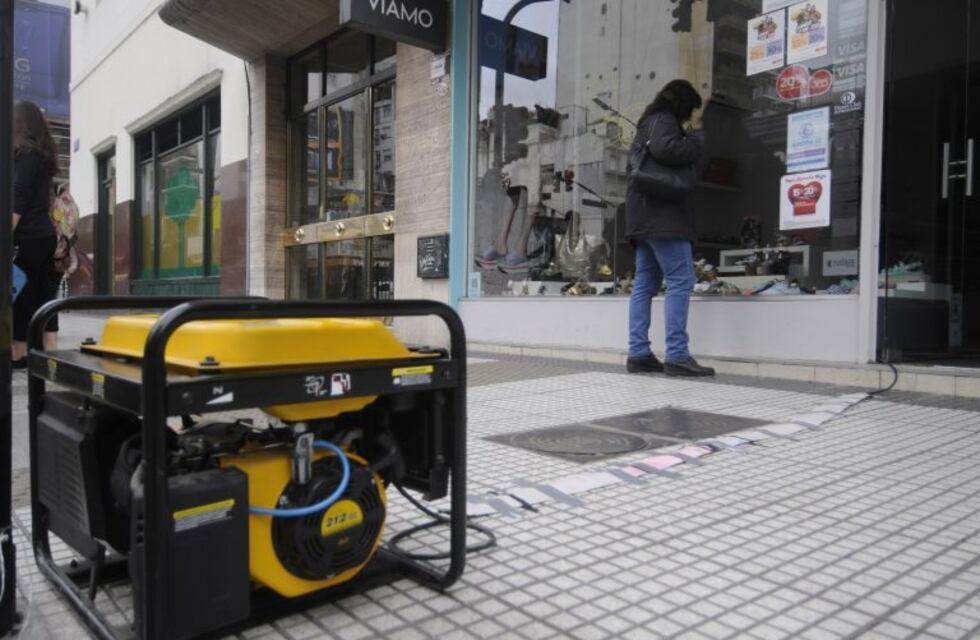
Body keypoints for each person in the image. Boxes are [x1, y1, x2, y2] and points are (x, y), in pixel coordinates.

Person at [625, 80, 715, 377]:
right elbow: (666, 150)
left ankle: (638, 353)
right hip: (663, 217)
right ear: (682, 104)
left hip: (643, 217)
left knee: (644, 287)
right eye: (690, 110)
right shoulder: (664, 121)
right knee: (680, 280)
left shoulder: (646, 124)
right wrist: (695, 142)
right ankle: (676, 354)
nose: (690, 117)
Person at [12, 100, 60, 368]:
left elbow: (19, 196)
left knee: (20, 295)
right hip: (46, 237)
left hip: (28, 237)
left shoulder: (26, 156)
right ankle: (51, 351)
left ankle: (21, 353)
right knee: (44, 296)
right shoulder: (43, 157)